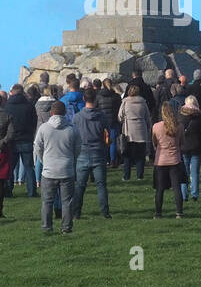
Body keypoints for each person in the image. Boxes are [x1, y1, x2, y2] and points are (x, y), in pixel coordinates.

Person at [35, 101, 79, 233]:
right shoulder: (72, 128)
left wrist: (43, 160)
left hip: (49, 169)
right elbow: (78, 148)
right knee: (67, 201)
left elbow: (37, 147)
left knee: (47, 201)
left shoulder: (44, 128)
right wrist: (72, 160)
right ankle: (66, 227)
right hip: (66, 168)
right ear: (65, 113)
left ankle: (47, 227)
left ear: (51, 113)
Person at [72, 89, 111, 219]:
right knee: (101, 185)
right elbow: (106, 133)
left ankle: (76, 212)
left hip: (82, 151)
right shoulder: (102, 117)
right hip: (98, 150)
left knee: (80, 185)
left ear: (84, 99)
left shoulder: (77, 117)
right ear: (96, 100)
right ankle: (105, 212)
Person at [151, 102, 185, 219]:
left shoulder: (156, 126)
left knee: (159, 189)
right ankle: (179, 212)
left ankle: (158, 212)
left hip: (161, 160)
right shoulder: (179, 126)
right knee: (177, 188)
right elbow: (181, 142)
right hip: (175, 159)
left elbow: (155, 143)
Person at [4, 83, 38, 198]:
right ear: (22, 92)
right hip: (26, 139)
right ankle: (32, 191)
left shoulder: (7, 106)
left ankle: (8, 191)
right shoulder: (29, 106)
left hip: (12, 140)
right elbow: (34, 122)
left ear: (12, 93)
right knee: (29, 167)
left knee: (10, 167)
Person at [119, 84, 151, 181]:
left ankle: (126, 175)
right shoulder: (143, 102)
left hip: (129, 130)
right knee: (140, 155)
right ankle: (140, 175)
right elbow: (147, 116)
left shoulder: (125, 102)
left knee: (127, 154)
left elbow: (120, 116)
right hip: (141, 128)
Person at [177, 96, 201, 201]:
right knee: (195, 172)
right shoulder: (199, 119)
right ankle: (195, 194)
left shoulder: (180, 118)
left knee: (184, 173)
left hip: (183, 147)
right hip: (196, 147)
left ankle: (184, 195)